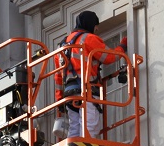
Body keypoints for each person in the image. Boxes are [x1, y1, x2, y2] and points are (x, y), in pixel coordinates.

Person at [54, 10, 127, 138]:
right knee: (90, 126)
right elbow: (109, 57)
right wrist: (122, 47)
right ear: (90, 24)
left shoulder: (62, 45)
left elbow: (58, 78)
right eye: (96, 27)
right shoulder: (88, 38)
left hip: (70, 94)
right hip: (86, 90)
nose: (96, 30)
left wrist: (60, 100)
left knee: (75, 128)